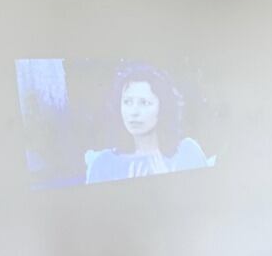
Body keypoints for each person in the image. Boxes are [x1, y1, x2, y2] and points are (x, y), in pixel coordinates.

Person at [85, 63, 214, 184]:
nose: (134, 112)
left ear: (163, 107)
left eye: (144, 102)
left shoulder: (188, 152)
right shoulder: (103, 164)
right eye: (127, 102)